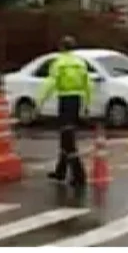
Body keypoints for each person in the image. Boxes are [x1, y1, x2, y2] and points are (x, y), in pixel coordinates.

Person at [39, 35, 93, 187]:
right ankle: (60, 171)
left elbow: (50, 83)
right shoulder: (80, 63)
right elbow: (88, 84)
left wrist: (40, 101)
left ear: (61, 47)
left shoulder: (59, 63)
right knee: (66, 135)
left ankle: (79, 175)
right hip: (77, 100)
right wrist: (87, 104)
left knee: (68, 138)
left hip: (64, 100)